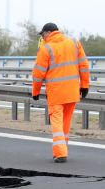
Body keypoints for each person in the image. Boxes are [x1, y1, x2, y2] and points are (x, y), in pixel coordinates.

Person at [32, 23, 90, 163]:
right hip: (72, 92)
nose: (42, 37)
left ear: (48, 33)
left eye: (42, 34)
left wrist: (36, 91)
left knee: (57, 123)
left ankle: (60, 153)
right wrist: (85, 86)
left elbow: (38, 74)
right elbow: (84, 65)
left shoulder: (46, 49)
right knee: (65, 123)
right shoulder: (74, 43)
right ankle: (63, 149)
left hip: (56, 93)